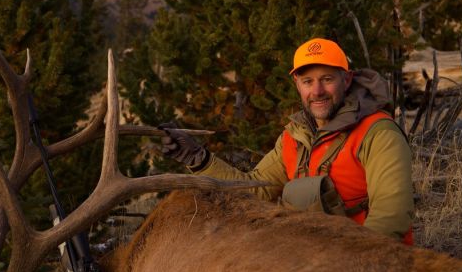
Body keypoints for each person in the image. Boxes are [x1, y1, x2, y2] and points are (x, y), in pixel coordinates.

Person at [160, 37, 414, 243]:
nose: (317, 91)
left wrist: (344, 265)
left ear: (346, 80)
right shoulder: (293, 137)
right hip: (311, 258)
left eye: (327, 79)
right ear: (297, 85)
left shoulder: (378, 134)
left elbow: (391, 218)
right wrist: (198, 159)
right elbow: (255, 191)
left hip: (370, 263)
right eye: (307, 81)